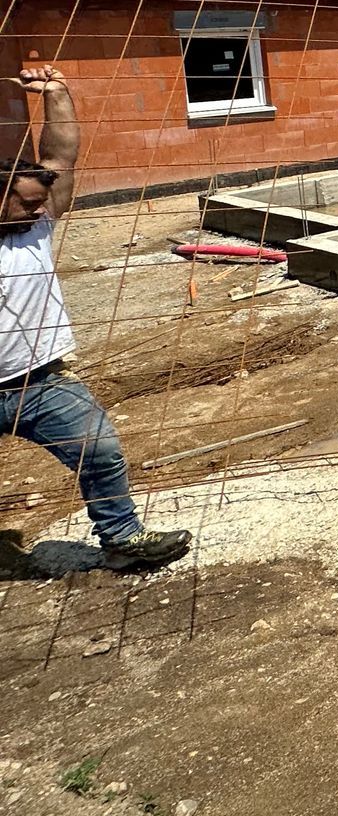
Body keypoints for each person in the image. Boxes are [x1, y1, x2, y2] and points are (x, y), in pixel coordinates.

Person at [1, 63, 190, 570]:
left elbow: (59, 157)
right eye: (29, 205)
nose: (43, 212)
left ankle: (121, 539)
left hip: (37, 380)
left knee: (98, 449)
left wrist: (56, 93)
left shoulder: (35, 231)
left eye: (44, 203)